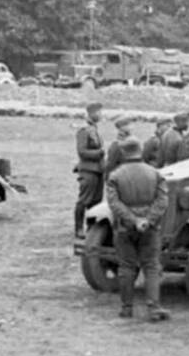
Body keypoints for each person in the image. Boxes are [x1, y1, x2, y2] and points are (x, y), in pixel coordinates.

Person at [106, 137, 171, 322]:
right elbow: (162, 201)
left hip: (124, 228)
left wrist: (133, 220)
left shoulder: (115, 176)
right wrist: (147, 220)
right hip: (150, 228)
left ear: (124, 153)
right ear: (140, 151)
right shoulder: (155, 173)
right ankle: (153, 308)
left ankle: (126, 308)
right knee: (151, 266)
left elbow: (114, 203)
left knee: (126, 267)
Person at [73, 102, 105, 238]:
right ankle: (79, 228)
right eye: (98, 112)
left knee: (96, 201)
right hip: (88, 170)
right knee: (84, 200)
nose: (100, 115)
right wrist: (99, 153)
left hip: (98, 170)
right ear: (91, 114)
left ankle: (91, 227)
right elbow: (82, 151)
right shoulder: (84, 131)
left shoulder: (94, 129)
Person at [103, 115, 135, 181]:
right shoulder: (117, 145)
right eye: (130, 125)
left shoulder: (129, 142)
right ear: (123, 127)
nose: (132, 127)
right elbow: (110, 165)